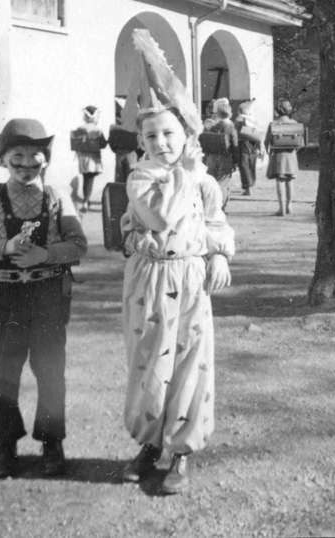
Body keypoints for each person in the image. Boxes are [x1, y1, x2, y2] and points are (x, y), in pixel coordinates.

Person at [119, 100, 234, 495]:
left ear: (186, 135)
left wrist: (219, 254)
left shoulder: (203, 180)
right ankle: (150, 446)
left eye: (169, 133)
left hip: (189, 277)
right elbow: (159, 217)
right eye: (151, 135)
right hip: (150, 278)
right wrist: (184, 173)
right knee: (149, 361)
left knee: (190, 360)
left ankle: (181, 452)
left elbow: (215, 221)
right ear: (141, 141)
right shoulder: (141, 177)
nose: (161, 142)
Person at [0, 118, 87, 478]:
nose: (28, 164)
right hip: (4, 295)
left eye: (36, 157)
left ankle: (52, 443)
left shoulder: (56, 195)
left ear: (45, 160)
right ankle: (6, 444)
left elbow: (78, 245)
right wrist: (4, 246)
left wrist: (42, 255)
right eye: (18, 156)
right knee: (4, 372)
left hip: (48, 294)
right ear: (3, 158)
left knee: (50, 371)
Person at [265, 98, 300, 216]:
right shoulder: (295, 123)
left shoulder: (273, 124)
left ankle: (282, 208)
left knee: (280, 180)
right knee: (290, 180)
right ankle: (289, 205)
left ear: (278, 110)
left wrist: (268, 152)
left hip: (278, 155)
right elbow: (300, 142)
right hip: (291, 155)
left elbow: (267, 141)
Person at [203, 97, 239, 209]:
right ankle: (221, 207)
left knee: (212, 182)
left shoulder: (212, 126)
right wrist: (236, 161)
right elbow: (235, 145)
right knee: (223, 184)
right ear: (229, 113)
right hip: (225, 158)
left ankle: (212, 205)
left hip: (211, 158)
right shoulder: (230, 126)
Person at [73, 105, 107, 212]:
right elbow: (103, 144)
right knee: (90, 180)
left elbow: (75, 144)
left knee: (85, 179)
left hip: (82, 158)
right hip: (93, 159)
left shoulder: (79, 129)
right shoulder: (97, 130)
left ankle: (85, 200)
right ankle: (86, 201)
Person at [234, 99, 263, 196]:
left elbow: (236, 133)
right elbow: (258, 135)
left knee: (244, 166)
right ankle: (251, 184)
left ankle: (248, 188)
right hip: (253, 146)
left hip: (243, 145)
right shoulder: (253, 120)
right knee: (252, 166)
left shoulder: (239, 120)